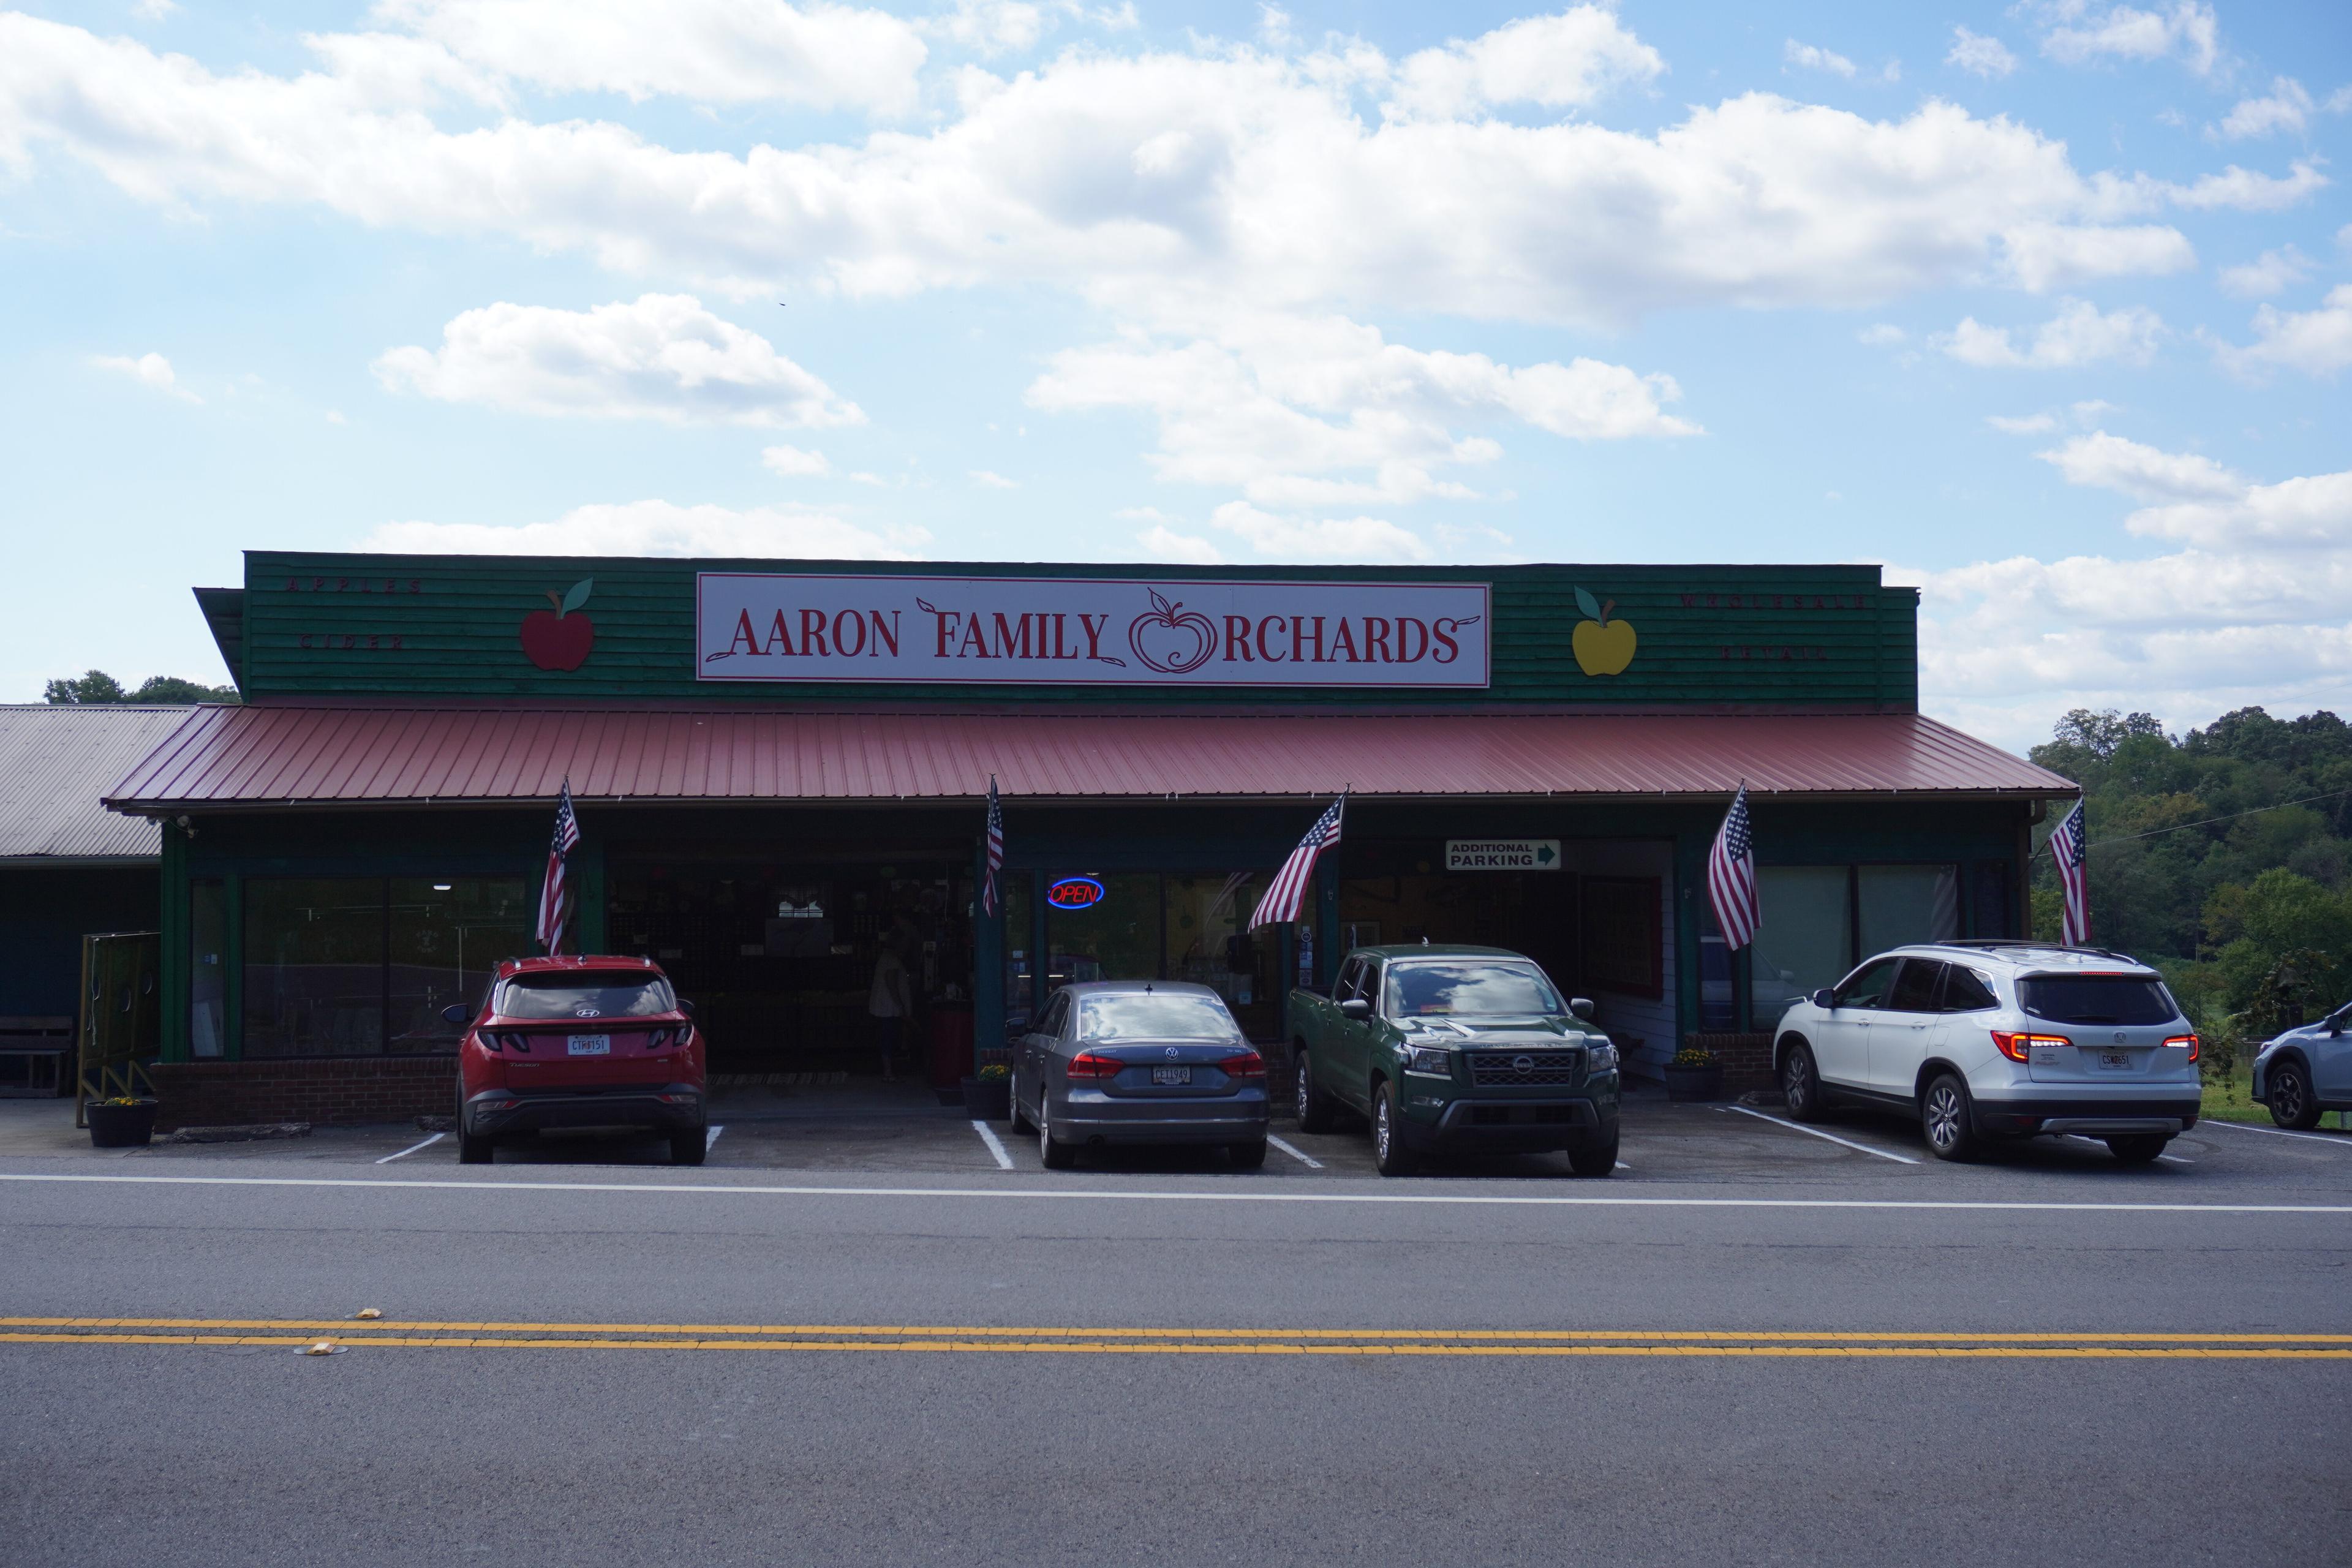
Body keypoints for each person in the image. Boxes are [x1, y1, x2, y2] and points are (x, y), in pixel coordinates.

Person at [868, 933, 915, 1081]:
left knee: (887, 1036)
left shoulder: (886, 958)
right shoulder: (892, 960)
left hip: (887, 1006)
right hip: (890, 1007)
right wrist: (900, 1005)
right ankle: (888, 1071)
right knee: (888, 1037)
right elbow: (891, 982)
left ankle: (888, 1070)